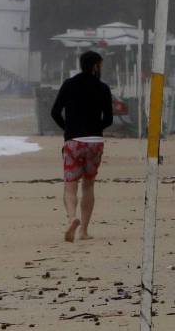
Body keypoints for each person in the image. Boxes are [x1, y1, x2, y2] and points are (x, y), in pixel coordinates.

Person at [50, 50, 113, 242]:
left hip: (73, 141)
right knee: (88, 184)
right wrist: (94, 129)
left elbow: (55, 112)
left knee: (70, 185)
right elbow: (108, 119)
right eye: (101, 65)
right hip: (95, 143)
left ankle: (72, 218)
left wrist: (69, 130)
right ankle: (84, 231)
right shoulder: (103, 88)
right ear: (96, 66)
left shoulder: (69, 84)